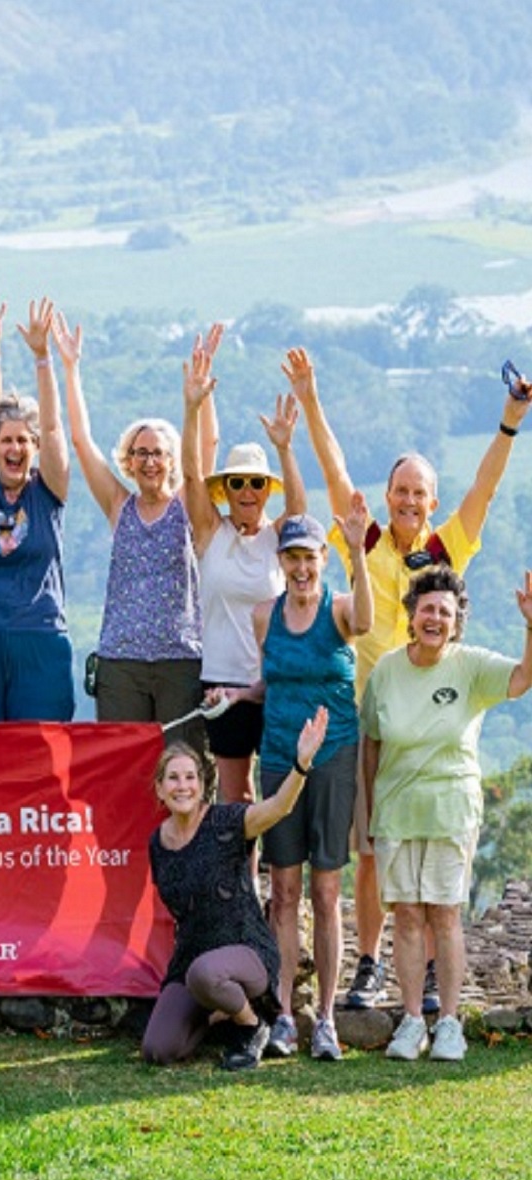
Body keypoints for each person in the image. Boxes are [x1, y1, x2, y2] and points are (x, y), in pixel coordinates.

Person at [289, 347, 530, 1012]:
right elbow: (335, 471)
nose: (409, 500)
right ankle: (370, 964)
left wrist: (510, 422)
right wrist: (310, 398)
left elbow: (485, 488)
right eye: (401, 490)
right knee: (371, 852)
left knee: (427, 855)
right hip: (373, 720)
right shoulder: (363, 541)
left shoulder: (446, 549)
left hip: (436, 725)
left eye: (420, 492)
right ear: (389, 495)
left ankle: (423, 974)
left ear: (431, 501)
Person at [363, 567, 532, 1061]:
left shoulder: (470, 666)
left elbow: (522, 680)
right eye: (427, 609)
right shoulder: (387, 672)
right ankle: (412, 1022)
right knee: (408, 917)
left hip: (451, 809)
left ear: (457, 621)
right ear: (412, 616)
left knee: (445, 915)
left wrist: (530, 626)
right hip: (396, 811)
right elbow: (371, 744)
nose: (435, 617)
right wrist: (370, 812)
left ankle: (451, 1023)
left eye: (445, 611)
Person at [243, 506, 373, 1061]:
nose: (301, 568)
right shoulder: (262, 615)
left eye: (309, 558)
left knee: (325, 893)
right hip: (277, 758)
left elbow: (365, 623)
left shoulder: (339, 609)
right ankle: (281, 1017)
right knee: (284, 894)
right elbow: (269, 681)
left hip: (334, 756)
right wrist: (233, 696)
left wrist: (358, 553)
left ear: (324, 560)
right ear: (282, 562)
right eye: (292, 557)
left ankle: (324, 1018)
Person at [58, 319, 221, 740]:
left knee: (182, 762)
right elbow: (80, 440)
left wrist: (199, 401)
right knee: (124, 769)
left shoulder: (187, 503)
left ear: (171, 460)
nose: (150, 462)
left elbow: (205, 451)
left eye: (159, 454)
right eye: (140, 453)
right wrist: (71, 369)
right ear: (128, 461)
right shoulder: (119, 505)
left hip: (179, 661)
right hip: (121, 663)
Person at [142, 707, 329, 1071]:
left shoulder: (225, 822)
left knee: (205, 973)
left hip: (245, 951)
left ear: (202, 784)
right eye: (173, 778)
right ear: (160, 788)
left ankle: (251, 1024)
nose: (183, 786)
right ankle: (220, 1016)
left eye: (190, 777)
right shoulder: (157, 843)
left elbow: (278, 807)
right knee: (158, 1049)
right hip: (192, 959)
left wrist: (302, 764)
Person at [182, 343, 306, 806]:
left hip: (273, 682)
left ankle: (277, 878)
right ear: (227, 490)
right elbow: (192, 477)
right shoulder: (210, 531)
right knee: (235, 794)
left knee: (278, 793)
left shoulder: (277, 537)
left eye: (256, 482)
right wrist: (192, 409)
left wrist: (285, 449)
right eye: (238, 482)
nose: (248, 491)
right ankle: (240, 880)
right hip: (222, 681)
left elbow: (299, 509)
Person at [0, 297, 74, 722]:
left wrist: (43, 359)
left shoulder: (48, 493)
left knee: (39, 756)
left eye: (24, 440)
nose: (15, 448)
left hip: (38, 640)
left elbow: (56, 428)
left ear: (35, 448)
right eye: (6, 440)